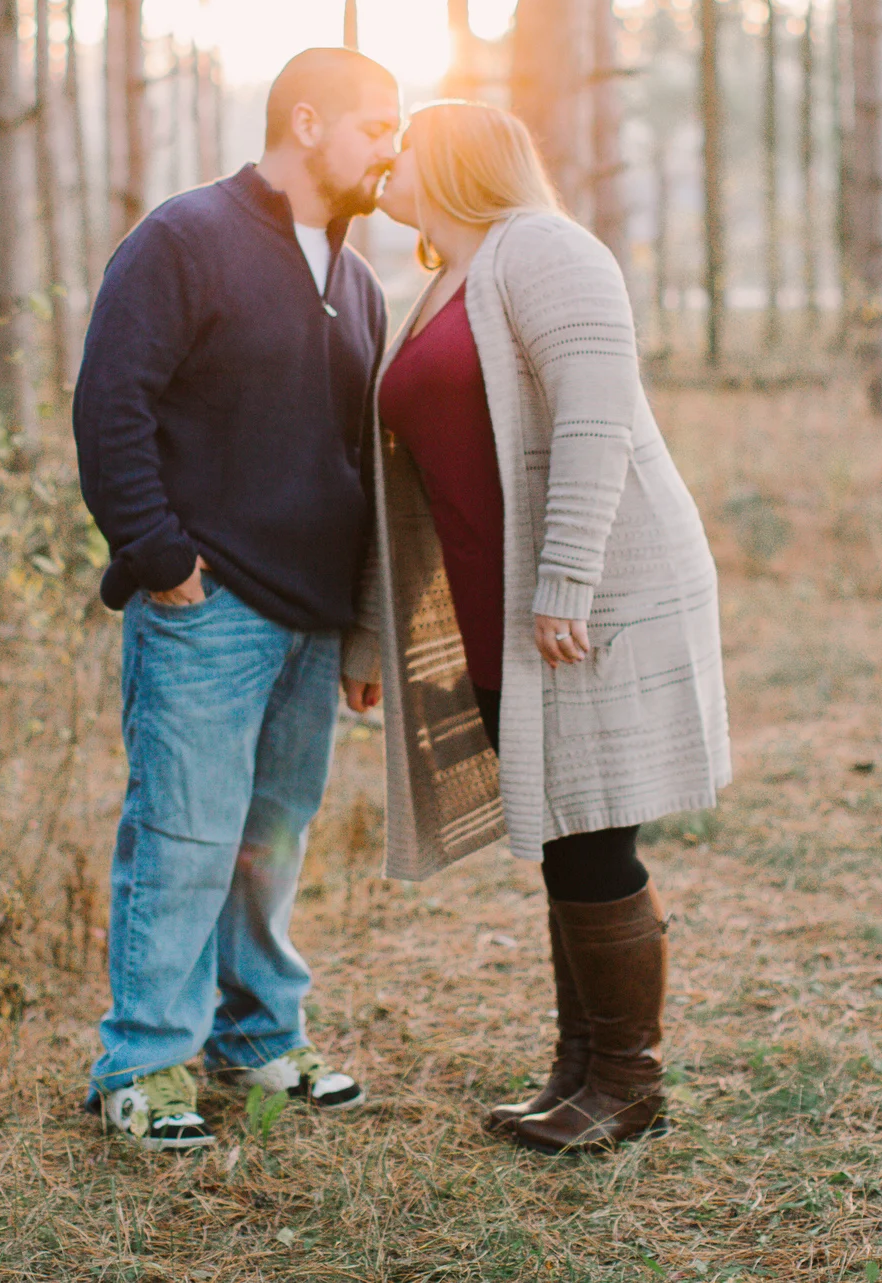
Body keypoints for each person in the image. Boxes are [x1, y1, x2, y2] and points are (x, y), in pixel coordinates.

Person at [345, 100, 730, 1154]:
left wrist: (566, 577)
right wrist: (374, 633)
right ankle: (580, 1068)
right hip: (493, 609)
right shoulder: (439, 282)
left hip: (589, 593)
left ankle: (628, 1083)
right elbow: (408, 486)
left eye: (406, 141)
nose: (389, 155)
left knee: (596, 830)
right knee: (564, 832)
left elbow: (594, 418)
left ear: (457, 160)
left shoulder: (549, 250)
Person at [71, 47, 400, 1150]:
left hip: (310, 621)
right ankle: (146, 1061)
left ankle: (258, 1038)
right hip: (207, 608)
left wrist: (357, 620)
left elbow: (359, 460)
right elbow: (110, 401)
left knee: (272, 836)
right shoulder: (184, 239)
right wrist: (161, 555)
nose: (391, 153)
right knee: (182, 833)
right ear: (307, 122)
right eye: (376, 128)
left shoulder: (355, 279)